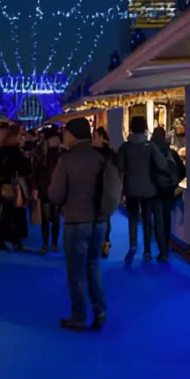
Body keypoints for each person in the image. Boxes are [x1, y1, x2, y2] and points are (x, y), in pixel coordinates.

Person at [48, 118, 120, 332]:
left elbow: (55, 194)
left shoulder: (67, 159)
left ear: (71, 135)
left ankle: (79, 316)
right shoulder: (100, 156)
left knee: (76, 271)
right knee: (93, 265)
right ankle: (100, 310)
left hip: (76, 221)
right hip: (99, 220)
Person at [117, 115, 169, 264]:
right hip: (149, 188)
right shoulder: (150, 146)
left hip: (131, 188)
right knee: (147, 219)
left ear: (131, 128)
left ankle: (133, 244)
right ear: (145, 127)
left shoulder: (125, 147)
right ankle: (147, 251)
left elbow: (119, 166)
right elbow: (162, 164)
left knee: (132, 217)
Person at [150, 127, 187, 262]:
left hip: (155, 191)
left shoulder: (150, 152)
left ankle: (162, 250)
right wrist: (174, 184)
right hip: (169, 191)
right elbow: (183, 171)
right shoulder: (171, 152)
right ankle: (166, 245)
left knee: (158, 220)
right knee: (167, 220)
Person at [0, 124, 31, 251]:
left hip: (7, 184)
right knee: (14, 213)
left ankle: (6, 239)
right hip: (13, 184)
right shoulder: (14, 151)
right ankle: (14, 240)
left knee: (8, 213)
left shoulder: (4, 149)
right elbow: (21, 169)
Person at [35, 127, 63, 254]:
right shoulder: (44, 152)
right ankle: (48, 244)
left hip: (51, 187)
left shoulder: (59, 153)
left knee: (53, 217)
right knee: (48, 217)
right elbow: (37, 170)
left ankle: (51, 244)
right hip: (46, 187)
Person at [92, 127, 116, 258]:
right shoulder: (109, 152)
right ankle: (104, 242)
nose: (92, 139)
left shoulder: (106, 153)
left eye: (94, 136)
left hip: (102, 189)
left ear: (101, 137)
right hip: (103, 190)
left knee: (103, 218)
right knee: (103, 218)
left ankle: (104, 242)